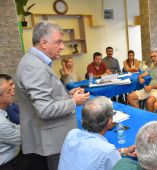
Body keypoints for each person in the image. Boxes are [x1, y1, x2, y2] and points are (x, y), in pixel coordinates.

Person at [15, 21, 90, 170]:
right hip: (51, 140)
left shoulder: (36, 61)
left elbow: (47, 95)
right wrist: (73, 102)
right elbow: (45, 109)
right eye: (58, 42)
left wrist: (68, 94)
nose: (62, 47)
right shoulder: (33, 66)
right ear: (43, 43)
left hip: (52, 137)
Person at [59, 96, 136, 170]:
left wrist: (123, 151)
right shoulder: (108, 150)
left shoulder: (72, 134)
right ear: (109, 122)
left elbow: (95, 155)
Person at [0, 75, 48, 170]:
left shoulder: (4, 112)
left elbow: (17, 126)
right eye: (8, 91)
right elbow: (25, 138)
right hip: (9, 164)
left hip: (16, 153)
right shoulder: (1, 122)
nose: (12, 93)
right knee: (44, 157)